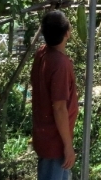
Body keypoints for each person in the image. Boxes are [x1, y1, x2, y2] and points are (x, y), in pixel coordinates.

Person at [30, 10, 79, 180]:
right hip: (55, 142)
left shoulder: (42, 54)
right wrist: (67, 146)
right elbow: (59, 108)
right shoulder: (60, 64)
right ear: (67, 33)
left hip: (45, 137)